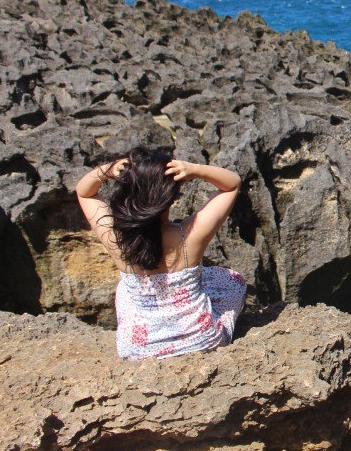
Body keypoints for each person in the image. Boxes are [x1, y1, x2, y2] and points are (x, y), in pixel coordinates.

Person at [75, 146, 247, 360]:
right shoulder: (188, 235)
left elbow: (84, 193)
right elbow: (231, 185)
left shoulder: (116, 238)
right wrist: (196, 170)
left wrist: (106, 171)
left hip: (140, 350)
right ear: (170, 196)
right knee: (232, 279)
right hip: (201, 340)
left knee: (124, 289)